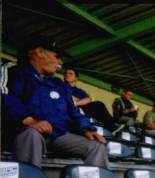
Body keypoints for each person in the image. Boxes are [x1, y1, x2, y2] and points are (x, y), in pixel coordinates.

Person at [1, 36, 109, 168]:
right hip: (22, 130)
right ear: (39, 52)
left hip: (57, 134)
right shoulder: (12, 70)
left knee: (96, 146)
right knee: (31, 134)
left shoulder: (58, 83)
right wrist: (28, 119)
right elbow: (4, 95)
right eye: (57, 56)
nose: (60, 62)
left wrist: (86, 129)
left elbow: (73, 110)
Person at [63, 68, 122, 133]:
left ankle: (112, 127)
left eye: (70, 74)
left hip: (80, 108)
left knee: (98, 104)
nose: (67, 75)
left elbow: (88, 99)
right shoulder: (60, 85)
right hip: (67, 108)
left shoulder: (79, 91)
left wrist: (75, 102)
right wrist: (75, 99)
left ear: (76, 78)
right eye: (65, 73)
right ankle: (112, 127)